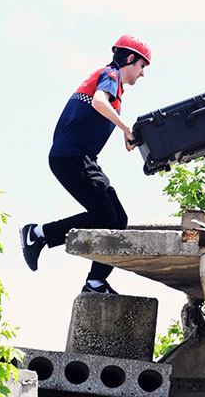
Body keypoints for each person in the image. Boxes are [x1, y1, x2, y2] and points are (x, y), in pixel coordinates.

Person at [20, 35, 151, 294]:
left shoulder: (112, 84)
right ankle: (39, 233)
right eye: (142, 66)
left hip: (76, 157)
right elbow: (98, 102)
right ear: (130, 59)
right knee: (106, 215)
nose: (143, 73)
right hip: (72, 157)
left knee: (117, 218)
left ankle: (94, 281)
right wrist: (125, 128)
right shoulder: (110, 75)